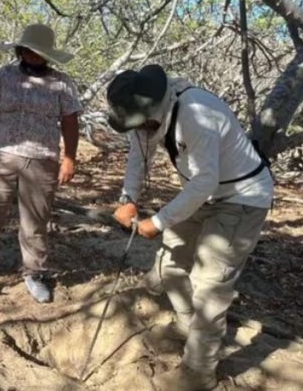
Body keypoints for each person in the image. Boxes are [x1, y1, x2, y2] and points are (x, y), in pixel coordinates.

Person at [107, 64, 273, 390]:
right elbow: (138, 157)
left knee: (210, 284)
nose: (139, 131)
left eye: (140, 125)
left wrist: (158, 221)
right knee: (169, 265)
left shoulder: (195, 113)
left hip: (241, 196)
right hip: (202, 194)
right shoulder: (146, 119)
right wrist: (129, 197)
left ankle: (198, 373)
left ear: (153, 111)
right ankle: (187, 325)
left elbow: (205, 180)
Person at [0, 24, 81, 303]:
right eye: (28, 50)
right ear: (20, 50)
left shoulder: (61, 83)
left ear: (48, 55)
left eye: (39, 52)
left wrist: (70, 158)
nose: (33, 56)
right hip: (1, 152)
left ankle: (34, 272)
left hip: (42, 158)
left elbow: (70, 121)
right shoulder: (4, 75)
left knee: (35, 221)